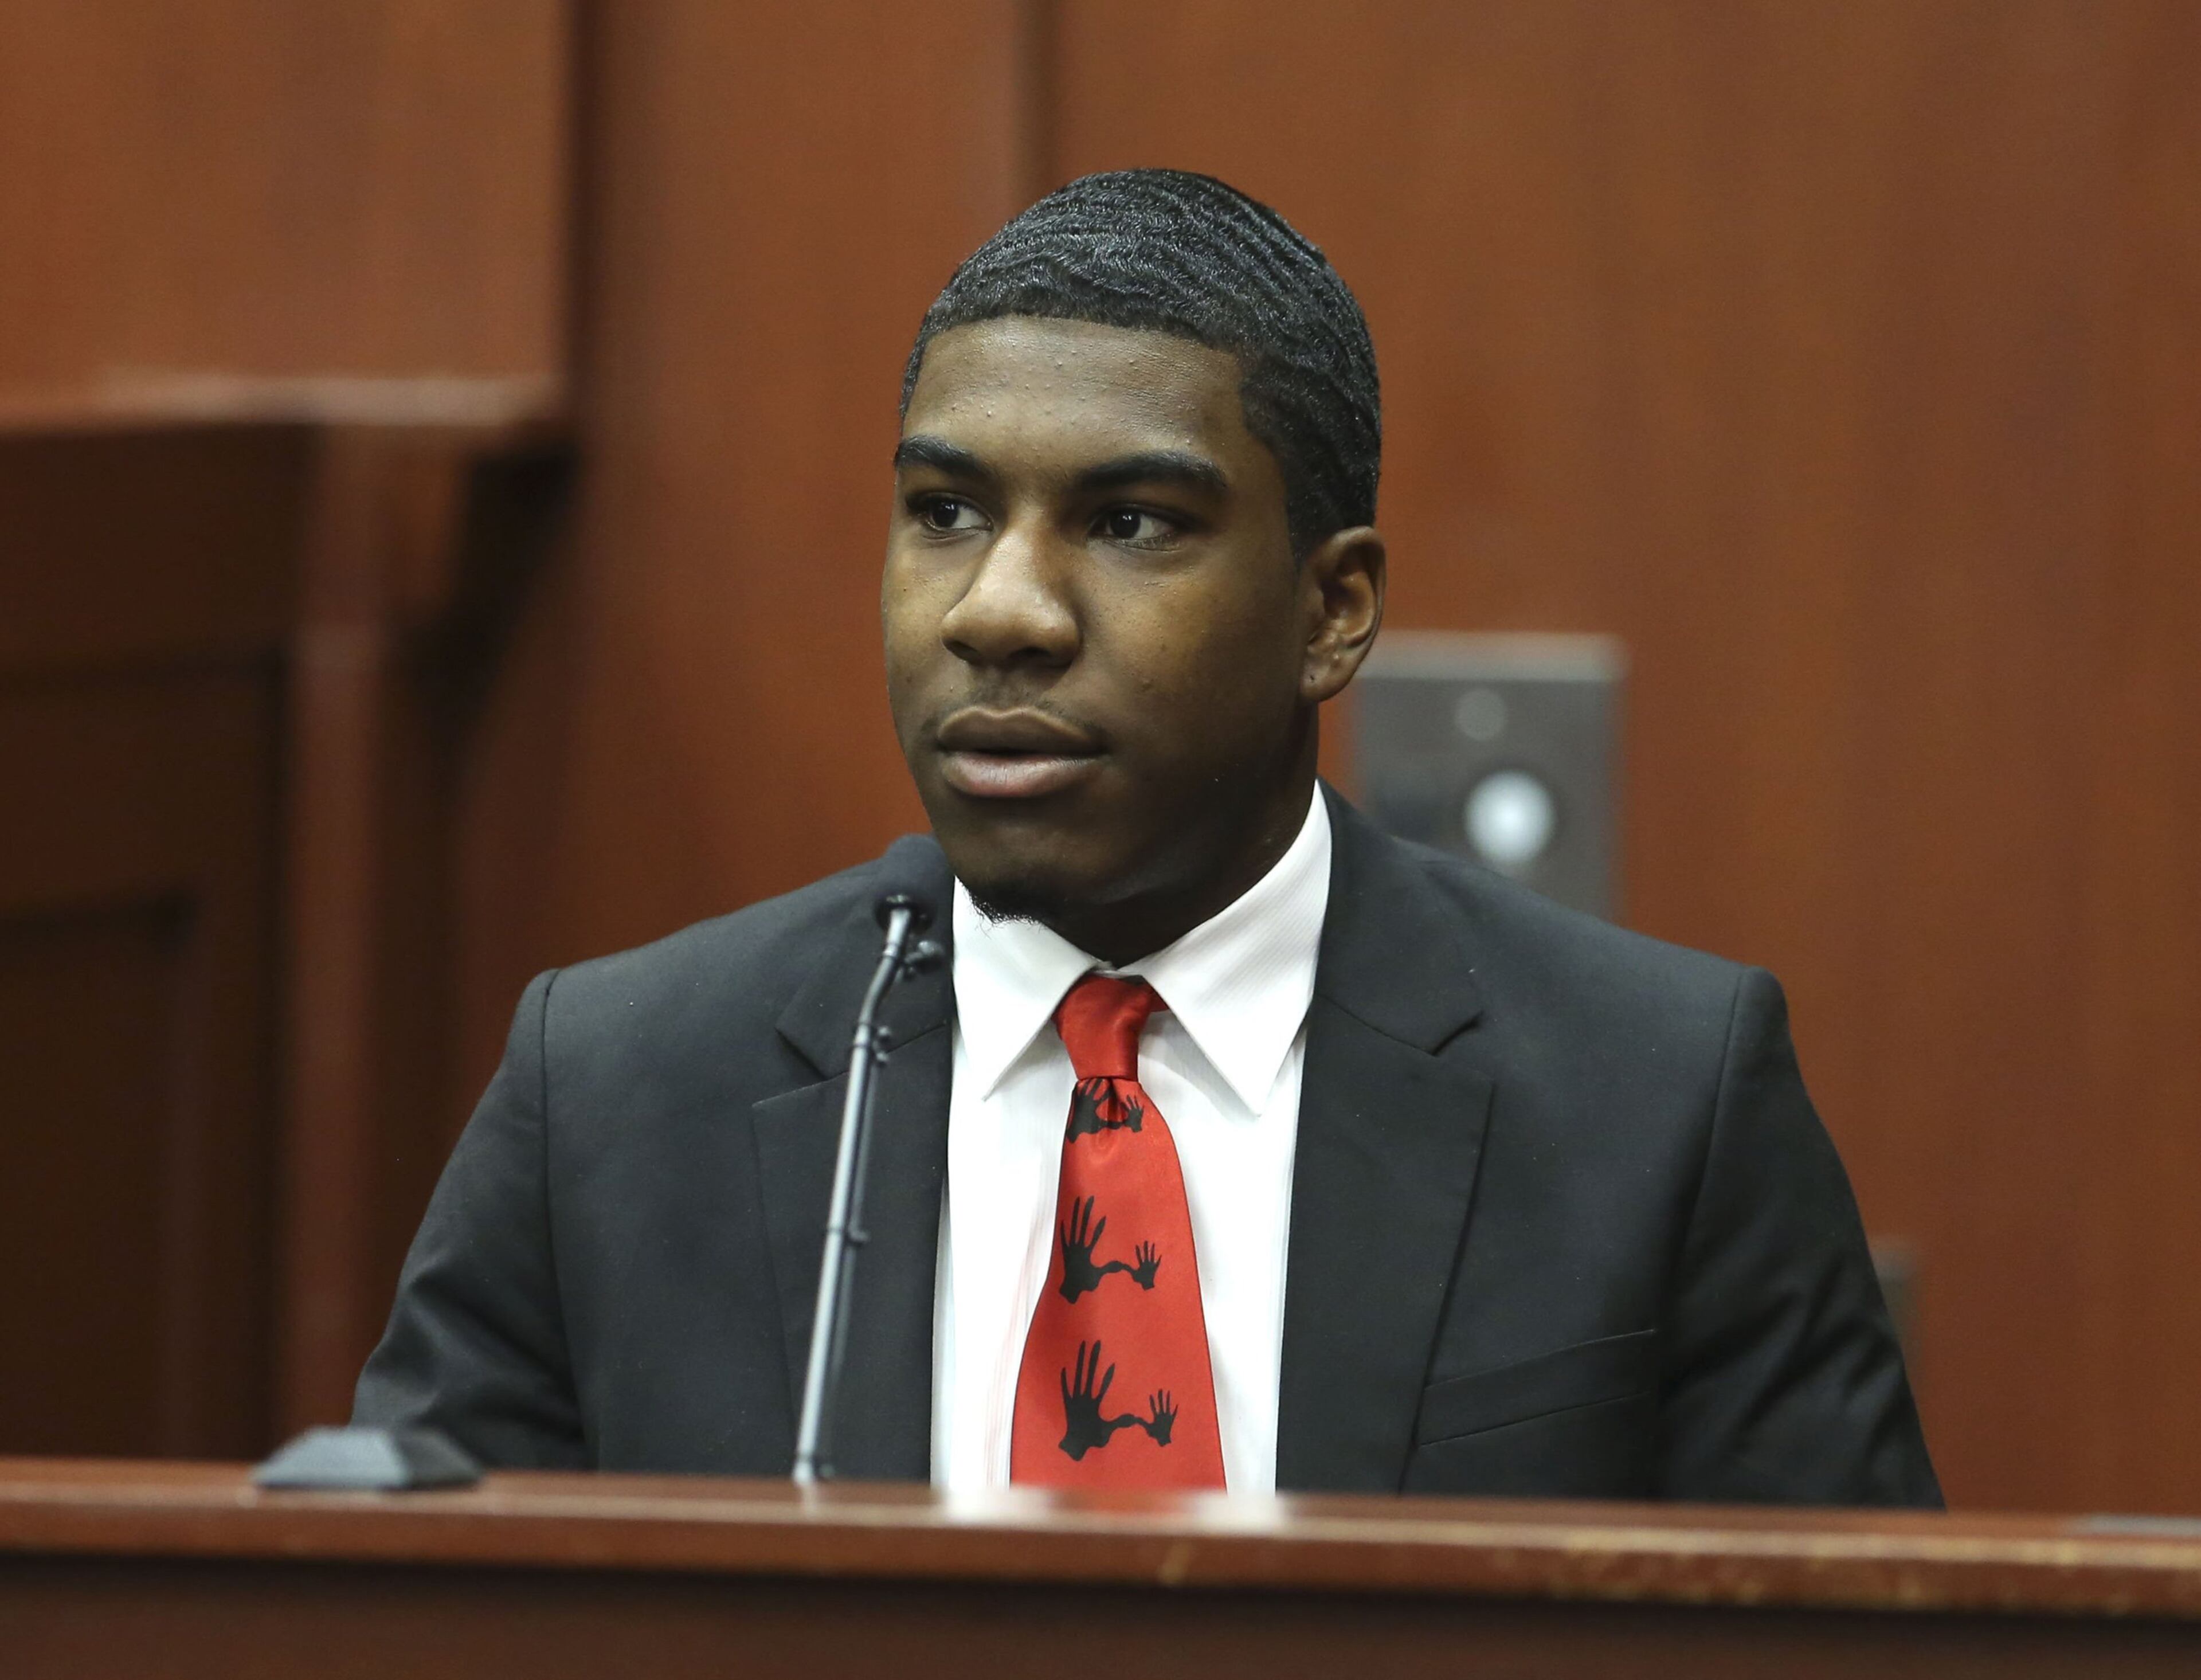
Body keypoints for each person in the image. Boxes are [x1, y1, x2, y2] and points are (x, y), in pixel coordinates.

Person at [355, 169, 1939, 1505]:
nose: (1001, 611)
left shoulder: (1661, 1102)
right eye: (947, 511)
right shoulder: (621, 1091)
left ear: (1334, 611)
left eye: (1129, 523)